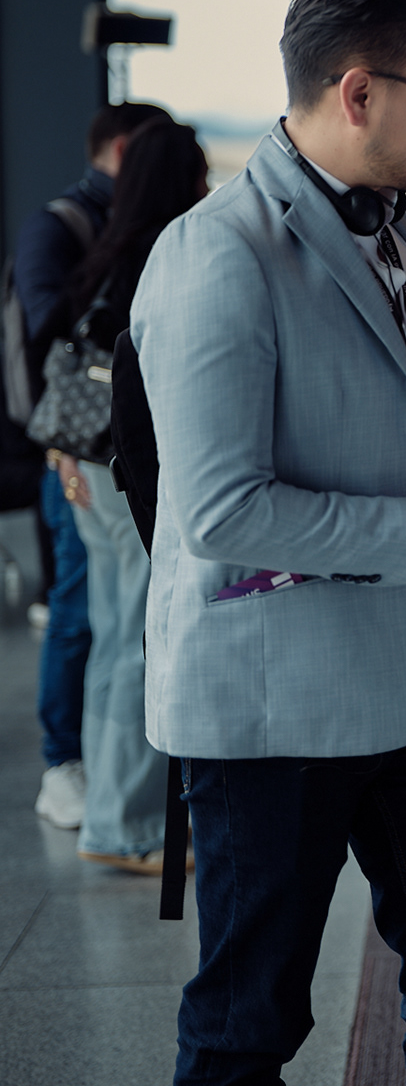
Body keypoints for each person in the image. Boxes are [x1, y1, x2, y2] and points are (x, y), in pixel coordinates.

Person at [132, 0, 406, 1084]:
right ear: (359, 92)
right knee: (247, 1025)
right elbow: (221, 511)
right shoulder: (216, 253)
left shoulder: (398, 232)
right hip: (274, 702)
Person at [53, 118, 207, 872]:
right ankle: (128, 825)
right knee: (140, 643)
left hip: (86, 467)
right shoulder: (168, 256)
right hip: (129, 475)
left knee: (113, 638)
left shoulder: (106, 254)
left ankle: (110, 813)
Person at [20, 101, 169, 831]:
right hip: (85, 451)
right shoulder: (66, 227)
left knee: (102, 622)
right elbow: (46, 333)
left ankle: (104, 788)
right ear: (120, 148)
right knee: (85, 614)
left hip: (88, 450)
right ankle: (68, 770)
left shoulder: (114, 234)